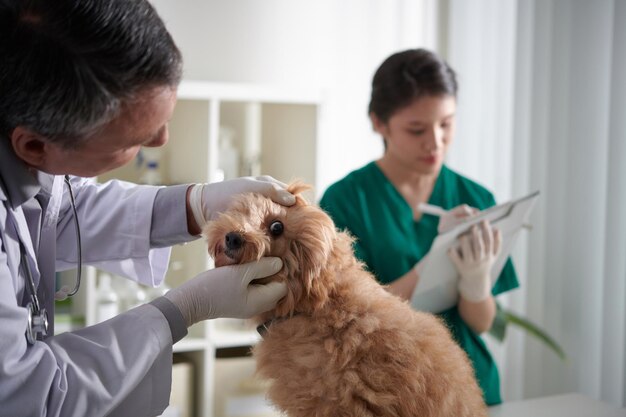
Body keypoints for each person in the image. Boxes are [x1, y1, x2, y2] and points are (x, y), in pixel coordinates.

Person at [0, 1, 294, 416]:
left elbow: (61, 211)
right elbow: (29, 397)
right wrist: (179, 310)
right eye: (134, 139)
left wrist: (194, 205)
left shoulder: (27, 144)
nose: (161, 141)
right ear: (33, 145)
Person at [319, 48, 519, 406]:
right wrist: (427, 268)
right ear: (379, 123)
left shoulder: (475, 197)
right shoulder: (345, 200)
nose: (436, 142)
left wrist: (475, 282)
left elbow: (482, 324)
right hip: (385, 389)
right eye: (417, 129)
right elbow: (346, 316)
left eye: (446, 124)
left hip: (470, 388)